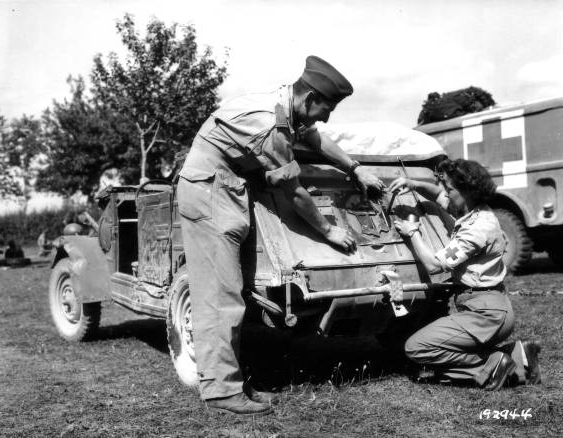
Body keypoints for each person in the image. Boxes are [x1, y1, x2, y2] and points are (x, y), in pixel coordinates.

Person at [177, 55, 385, 415]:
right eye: (326, 107)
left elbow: (316, 139)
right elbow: (294, 191)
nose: (327, 116)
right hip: (210, 192)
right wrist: (328, 230)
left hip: (227, 187)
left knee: (234, 291)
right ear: (308, 99)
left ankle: (233, 383)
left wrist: (355, 168)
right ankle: (221, 392)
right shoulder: (269, 125)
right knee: (219, 294)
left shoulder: (287, 106)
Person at [390, 158, 541, 390]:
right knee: (447, 345)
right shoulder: (476, 211)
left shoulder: (476, 230)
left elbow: (433, 265)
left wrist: (413, 233)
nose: (445, 193)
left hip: (485, 314)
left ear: (466, 191)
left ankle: (489, 366)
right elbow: (439, 197)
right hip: (492, 308)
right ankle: (519, 357)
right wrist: (413, 183)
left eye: (449, 188)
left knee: (416, 347)